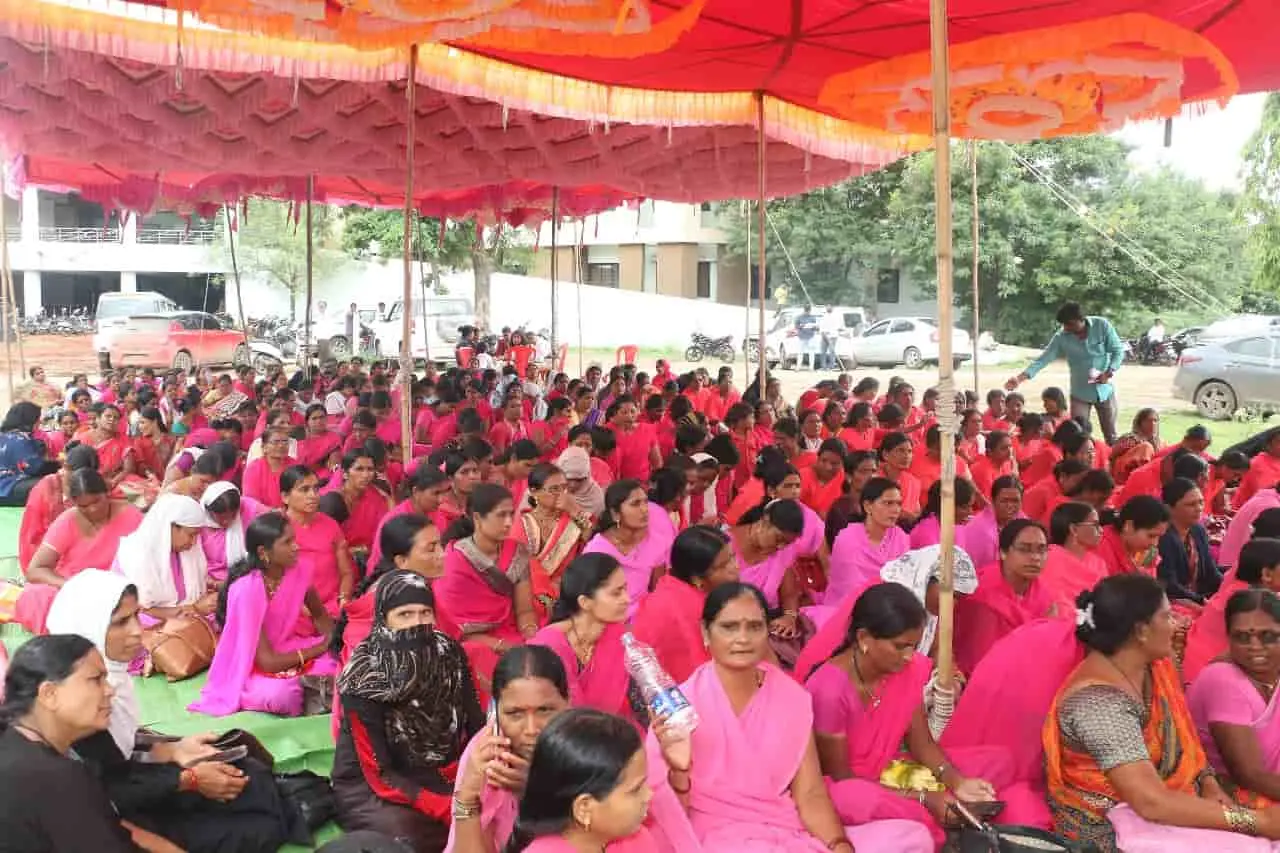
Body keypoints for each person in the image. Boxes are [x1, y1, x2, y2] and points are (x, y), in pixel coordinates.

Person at [662, 581, 931, 851]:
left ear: (768, 631)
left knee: (911, 837)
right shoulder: (679, 705)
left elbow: (811, 793)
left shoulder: (790, 697)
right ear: (705, 633)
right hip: (716, 836)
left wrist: (839, 845)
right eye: (729, 627)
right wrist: (679, 770)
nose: (742, 638)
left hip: (782, 826)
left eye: (754, 627)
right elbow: (666, 812)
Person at [45, 570, 289, 853]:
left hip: (135, 785)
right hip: (115, 819)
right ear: (90, 627)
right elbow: (104, 793)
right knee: (258, 827)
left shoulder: (111, 678)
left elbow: (121, 746)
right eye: (121, 622)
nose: (137, 631)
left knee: (251, 776)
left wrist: (174, 749)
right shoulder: (76, 702)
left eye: (136, 616)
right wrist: (188, 779)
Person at [1043, 574, 1280, 851]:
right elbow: (1150, 802)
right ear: (1142, 631)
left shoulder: (1153, 667)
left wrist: (1208, 783)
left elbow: (1186, 741)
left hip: (1167, 799)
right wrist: (1255, 822)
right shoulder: (1097, 703)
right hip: (1108, 826)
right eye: (1168, 617)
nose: (1179, 623)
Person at [808, 583, 1040, 847]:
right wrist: (924, 798)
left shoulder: (906, 670)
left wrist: (957, 780)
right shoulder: (829, 690)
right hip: (854, 789)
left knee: (999, 761)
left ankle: (950, 808)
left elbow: (922, 743)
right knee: (860, 799)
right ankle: (935, 815)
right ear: (863, 639)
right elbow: (841, 778)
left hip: (891, 770)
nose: (909, 657)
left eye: (914, 646)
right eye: (900, 646)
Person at [333, 571, 483, 849]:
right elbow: (379, 772)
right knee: (411, 839)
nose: (418, 623)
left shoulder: (449, 653)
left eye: (425, 612)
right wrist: (446, 808)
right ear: (383, 619)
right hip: (373, 784)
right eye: (405, 615)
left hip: (438, 771)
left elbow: (477, 726)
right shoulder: (365, 676)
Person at [0, 635, 151, 852]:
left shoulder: (14, 742)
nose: (110, 690)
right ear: (49, 694)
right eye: (96, 679)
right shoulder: (55, 778)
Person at [191, 512, 338, 717]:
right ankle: (310, 693)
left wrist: (335, 643)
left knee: (337, 665)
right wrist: (321, 647)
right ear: (263, 552)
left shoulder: (298, 570)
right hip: (253, 662)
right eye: (287, 542)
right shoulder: (246, 589)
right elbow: (267, 661)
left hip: (290, 647)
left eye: (294, 539)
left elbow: (320, 616)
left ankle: (313, 691)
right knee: (280, 695)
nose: (296, 546)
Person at [445, 647, 574, 853]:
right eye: (515, 713)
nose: (531, 730)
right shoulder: (486, 754)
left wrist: (535, 791)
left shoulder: (586, 747)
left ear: (568, 704)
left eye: (545, 710)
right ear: (495, 711)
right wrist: (468, 794)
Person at [435, 484, 539, 703]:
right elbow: (452, 627)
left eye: (512, 514)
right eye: (501, 515)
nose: (509, 522)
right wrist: (500, 646)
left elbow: (525, 610)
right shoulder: (455, 560)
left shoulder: (517, 552)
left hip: (511, 632)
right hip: (472, 641)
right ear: (478, 518)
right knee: (478, 655)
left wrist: (531, 635)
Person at [16, 468, 144, 634]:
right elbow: (35, 570)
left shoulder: (131, 516)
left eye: (97, 501)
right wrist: (71, 586)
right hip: (74, 589)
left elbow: (148, 558)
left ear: (107, 493)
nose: (92, 510)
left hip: (118, 590)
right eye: (83, 506)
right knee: (34, 596)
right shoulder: (68, 521)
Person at [1187, 589, 1280, 806]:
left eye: (1267, 636)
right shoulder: (1224, 680)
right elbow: (1249, 775)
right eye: (1242, 637)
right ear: (1228, 638)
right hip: (1235, 795)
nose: (1255, 647)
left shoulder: (1272, 670)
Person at [531, 554, 638, 724]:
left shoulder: (619, 636)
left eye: (625, 589)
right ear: (585, 602)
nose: (627, 599)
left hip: (613, 733)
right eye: (616, 593)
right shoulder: (548, 646)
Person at [632, 526, 739, 685]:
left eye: (732, 557)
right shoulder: (691, 611)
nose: (735, 567)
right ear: (697, 579)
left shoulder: (671, 585)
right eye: (723, 566)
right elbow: (699, 676)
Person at [1005, 302, 1124, 444]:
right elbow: (1043, 360)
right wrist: (1019, 378)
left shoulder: (1102, 326)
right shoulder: (1062, 337)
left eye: (1070, 324)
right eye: (1064, 325)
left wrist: (1109, 372)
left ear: (1081, 319)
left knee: (1111, 435)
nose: (1067, 328)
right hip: (1080, 393)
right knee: (1078, 436)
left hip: (1104, 391)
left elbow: (1118, 350)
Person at [954, 519, 1057, 675]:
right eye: (1024, 549)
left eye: (1041, 550)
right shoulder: (980, 595)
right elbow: (979, 661)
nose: (1035, 557)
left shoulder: (1044, 595)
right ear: (1002, 552)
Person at [1183, 538, 1280, 685]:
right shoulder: (1253, 602)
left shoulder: (1236, 587)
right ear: (1266, 574)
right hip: (1207, 672)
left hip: (1195, 662)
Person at [112, 493, 215, 625]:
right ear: (169, 527)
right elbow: (140, 610)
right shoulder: (138, 555)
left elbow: (194, 591)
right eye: (191, 535)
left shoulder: (184, 550)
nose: (194, 542)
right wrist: (194, 609)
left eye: (197, 536)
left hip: (182, 616)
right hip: (141, 621)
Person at [582, 480, 673, 621]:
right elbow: (592, 600)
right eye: (635, 504)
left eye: (645, 502)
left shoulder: (656, 541)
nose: (644, 509)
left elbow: (657, 590)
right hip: (608, 619)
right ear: (615, 514)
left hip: (644, 616)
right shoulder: (598, 549)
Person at [282, 464, 355, 624]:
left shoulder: (330, 525)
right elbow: (271, 582)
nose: (313, 495)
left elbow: (346, 572)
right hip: (293, 612)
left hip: (333, 608)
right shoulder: (277, 528)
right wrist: (304, 609)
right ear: (285, 497)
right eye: (304, 490)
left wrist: (343, 598)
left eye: (315, 489)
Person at [517, 463, 591, 620]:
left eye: (564, 488)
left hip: (568, 589)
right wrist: (547, 595)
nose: (561, 494)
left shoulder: (571, 520)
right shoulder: (522, 523)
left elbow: (592, 544)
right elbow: (523, 566)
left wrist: (575, 511)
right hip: (531, 590)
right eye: (554, 489)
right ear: (534, 492)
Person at [828, 477, 910, 606]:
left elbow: (905, 579)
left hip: (892, 606)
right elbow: (851, 588)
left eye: (898, 503)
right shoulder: (847, 538)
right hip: (850, 608)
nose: (896, 510)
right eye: (888, 503)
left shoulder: (900, 536)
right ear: (867, 506)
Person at [18, 442, 98, 569]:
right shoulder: (45, 489)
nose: (81, 481)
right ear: (66, 468)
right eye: (75, 474)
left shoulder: (89, 486)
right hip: (42, 550)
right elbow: (32, 536)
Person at [1160, 477, 1221, 606]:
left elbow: (1211, 571)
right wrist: (1202, 601)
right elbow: (1170, 585)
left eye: (1201, 502)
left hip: (1200, 597)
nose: (1199, 508)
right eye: (1191, 504)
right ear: (1169, 508)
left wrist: (1228, 589)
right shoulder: (1162, 537)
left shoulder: (1198, 530)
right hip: (1177, 602)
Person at [323, 448, 394, 557]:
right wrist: (357, 550)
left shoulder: (378, 495)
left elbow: (392, 524)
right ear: (345, 474)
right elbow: (323, 545)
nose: (366, 475)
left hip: (371, 560)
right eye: (359, 469)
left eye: (370, 469)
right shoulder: (333, 502)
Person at [1042, 501, 1109, 611]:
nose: (1101, 530)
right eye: (1095, 525)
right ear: (1074, 529)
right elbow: (1052, 603)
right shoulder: (1049, 558)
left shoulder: (1098, 563)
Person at [0, 401, 58, 506]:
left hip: (5, 487)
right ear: (30, 420)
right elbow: (35, 467)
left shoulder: (4, 435)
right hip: (7, 489)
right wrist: (59, 464)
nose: (39, 422)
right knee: (52, 482)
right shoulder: (20, 438)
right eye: (37, 419)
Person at [1097, 495, 1170, 577]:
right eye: (1151, 536)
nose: (1155, 543)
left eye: (1159, 537)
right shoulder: (1099, 547)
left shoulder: (1148, 552)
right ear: (1128, 526)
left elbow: (1149, 586)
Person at [241, 427, 296, 508]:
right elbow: (251, 503)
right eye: (275, 442)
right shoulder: (253, 469)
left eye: (285, 442)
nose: (281, 445)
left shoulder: (295, 464)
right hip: (264, 516)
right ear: (264, 447)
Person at [1111, 408, 1163, 485]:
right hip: (1125, 477)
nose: (1152, 424)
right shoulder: (1130, 438)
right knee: (1146, 447)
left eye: (1155, 421)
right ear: (1140, 423)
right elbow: (1112, 454)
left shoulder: (1160, 443)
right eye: (1148, 421)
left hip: (1150, 478)